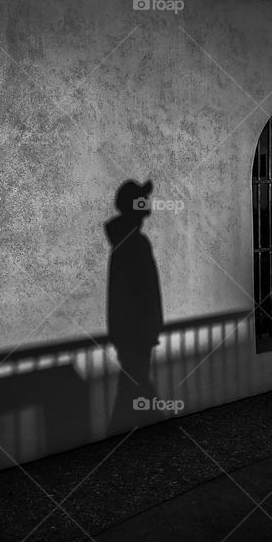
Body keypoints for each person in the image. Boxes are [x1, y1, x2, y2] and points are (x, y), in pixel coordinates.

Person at [104, 179, 163, 432]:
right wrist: (148, 329)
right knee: (134, 385)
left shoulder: (125, 242)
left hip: (131, 333)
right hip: (136, 334)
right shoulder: (134, 243)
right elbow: (141, 293)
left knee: (133, 385)